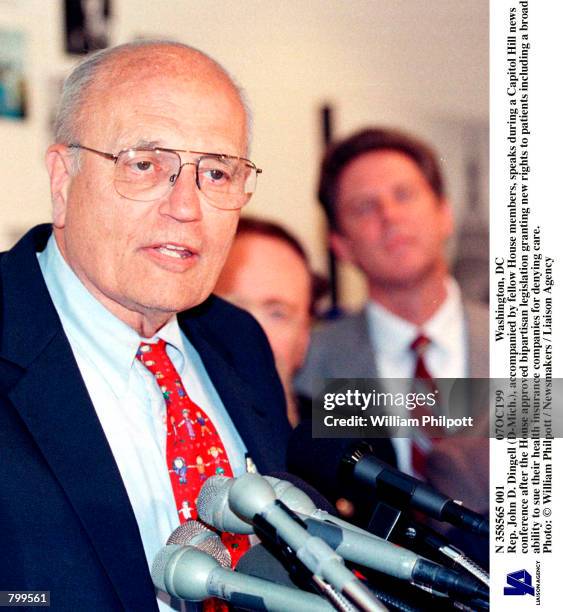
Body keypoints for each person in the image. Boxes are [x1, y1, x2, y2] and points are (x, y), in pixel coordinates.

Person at [0, 41, 290, 611]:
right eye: (144, 164)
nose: (186, 205)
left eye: (217, 171)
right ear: (63, 178)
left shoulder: (239, 343)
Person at [295, 127, 489, 515]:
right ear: (341, 244)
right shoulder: (311, 368)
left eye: (404, 194)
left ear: (445, 214)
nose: (389, 215)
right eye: (364, 206)